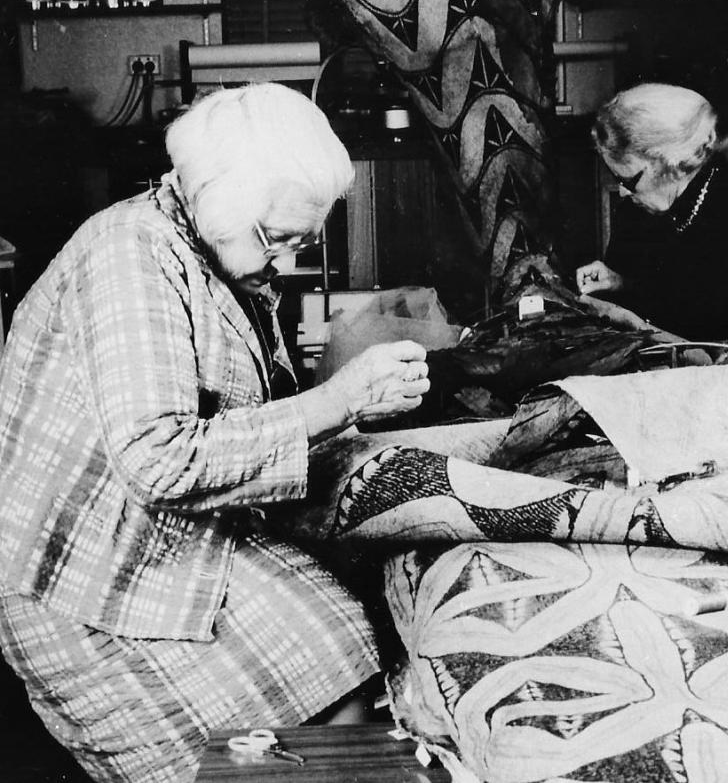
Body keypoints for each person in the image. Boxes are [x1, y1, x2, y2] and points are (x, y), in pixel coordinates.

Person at [0, 83, 431, 782]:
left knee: (348, 642)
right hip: (81, 583)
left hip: (163, 547)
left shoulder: (212, 250)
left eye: (301, 238)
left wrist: (354, 405)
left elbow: (260, 413)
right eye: (278, 236)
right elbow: (160, 460)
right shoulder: (129, 255)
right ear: (221, 197)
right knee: (317, 675)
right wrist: (337, 402)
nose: (287, 259)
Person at [574, 82, 728, 349]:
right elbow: (663, 293)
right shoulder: (636, 211)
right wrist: (618, 282)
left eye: (629, 179)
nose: (622, 193)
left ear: (671, 163)